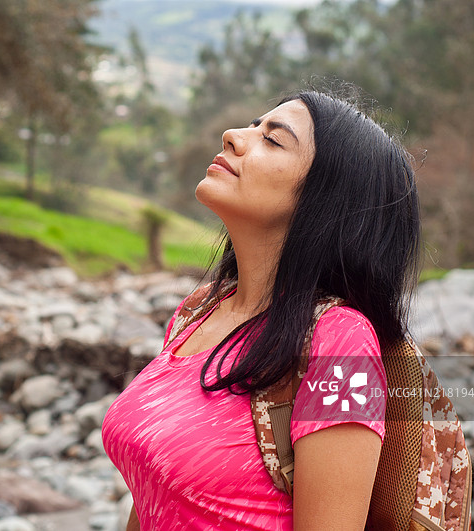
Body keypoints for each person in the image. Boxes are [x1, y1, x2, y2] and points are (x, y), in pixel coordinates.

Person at [101, 88, 421, 530]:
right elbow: (152, 491)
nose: (233, 136)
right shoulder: (200, 310)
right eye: (254, 126)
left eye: (273, 140)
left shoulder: (339, 342)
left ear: (324, 199)